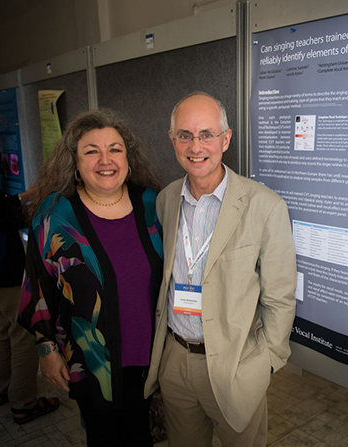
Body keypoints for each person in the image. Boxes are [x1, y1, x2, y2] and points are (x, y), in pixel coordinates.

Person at [144, 92, 297, 447]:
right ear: (172, 140)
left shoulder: (265, 206)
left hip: (236, 366)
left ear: (225, 139)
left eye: (206, 134)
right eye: (185, 135)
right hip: (176, 359)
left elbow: (280, 297)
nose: (196, 146)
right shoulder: (166, 200)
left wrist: (267, 363)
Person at [18, 109, 164, 446]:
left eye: (115, 149)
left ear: (128, 157)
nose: (105, 160)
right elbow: (36, 287)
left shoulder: (152, 203)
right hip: (91, 359)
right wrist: (46, 349)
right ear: (75, 163)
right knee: (104, 438)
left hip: (151, 354)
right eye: (91, 151)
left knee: (142, 434)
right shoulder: (55, 216)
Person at [0, 184, 60, 424]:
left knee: (1, 332)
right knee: (23, 335)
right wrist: (33, 201)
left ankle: (0, 390)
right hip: (6, 274)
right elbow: (4, 216)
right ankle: (24, 404)